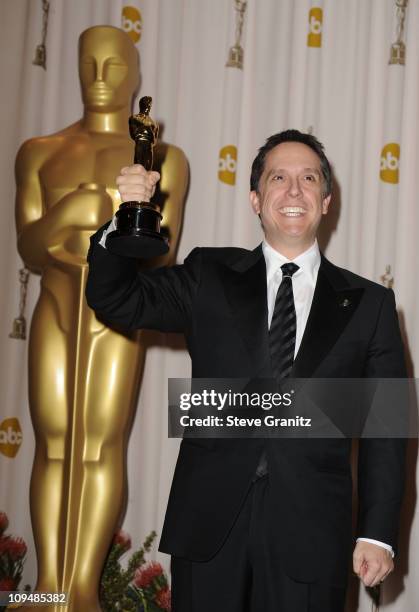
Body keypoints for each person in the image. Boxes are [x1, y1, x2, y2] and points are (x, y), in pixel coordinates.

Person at [86, 130, 406, 611]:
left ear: (326, 200)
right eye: (279, 178)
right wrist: (125, 216)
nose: (294, 191)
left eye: (308, 178)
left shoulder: (371, 305)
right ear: (256, 199)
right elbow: (118, 299)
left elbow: (386, 427)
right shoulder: (208, 274)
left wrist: (377, 533)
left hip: (313, 536)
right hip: (209, 527)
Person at [15, 25, 187, 611]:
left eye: (114, 65)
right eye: (89, 63)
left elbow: (161, 254)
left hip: (117, 318)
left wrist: (114, 221)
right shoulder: (40, 151)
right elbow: (32, 248)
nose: (100, 77)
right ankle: (48, 585)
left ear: (134, 74)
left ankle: (82, 587)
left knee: (100, 445)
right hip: (57, 307)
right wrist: (75, 209)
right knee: (53, 443)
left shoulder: (163, 158)